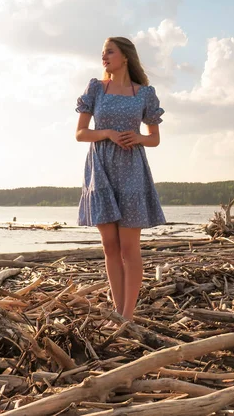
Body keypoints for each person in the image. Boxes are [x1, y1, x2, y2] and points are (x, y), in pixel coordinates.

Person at [75, 36, 166, 321]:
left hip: (131, 169)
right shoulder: (96, 89)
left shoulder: (144, 94)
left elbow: (154, 139)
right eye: (102, 53)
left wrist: (138, 137)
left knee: (129, 248)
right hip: (100, 167)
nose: (104, 57)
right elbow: (80, 133)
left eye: (109, 52)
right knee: (109, 246)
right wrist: (107, 133)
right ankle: (117, 311)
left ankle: (127, 315)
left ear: (125, 56)